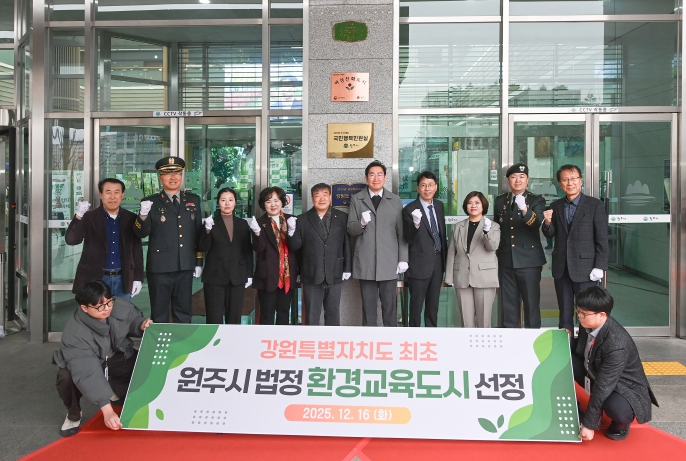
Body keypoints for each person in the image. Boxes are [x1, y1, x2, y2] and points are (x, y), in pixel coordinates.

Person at [53, 280, 153, 437]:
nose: (106, 309)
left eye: (109, 302)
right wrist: (107, 411)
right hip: (88, 363)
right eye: (99, 306)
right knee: (66, 377)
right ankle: (74, 415)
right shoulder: (75, 333)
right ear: (84, 308)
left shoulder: (118, 305)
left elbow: (133, 320)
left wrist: (141, 325)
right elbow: (87, 372)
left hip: (117, 356)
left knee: (146, 366)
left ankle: (115, 390)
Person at [572, 286, 658, 442]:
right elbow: (583, 347)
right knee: (565, 357)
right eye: (578, 311)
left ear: (602, 315)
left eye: (584, 313)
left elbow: (603, 385)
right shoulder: (590, 323)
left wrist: (589, 425)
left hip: (622, 386)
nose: (579, 316)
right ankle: (573, 403)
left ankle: (621, 424)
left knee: (617, 409)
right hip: (595, 370)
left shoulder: (617, 344)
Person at [134, 156, 204, 323]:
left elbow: (198, 233)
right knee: (159, 312)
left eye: (177, 173)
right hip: (160, 267)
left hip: (185, 265)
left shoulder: (193, 200)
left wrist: (198, 261)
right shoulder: (150, 202)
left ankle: (183, 340)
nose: (173, 177)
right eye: (167, 173)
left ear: (181, 175)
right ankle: (161, 340)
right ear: (160, 177)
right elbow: (140, 233)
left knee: (184, 312)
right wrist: (142, 215)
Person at [542, 165, 609, 333]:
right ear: (560, 184)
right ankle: (566, 344)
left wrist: (600, 266)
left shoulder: (595, 205)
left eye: (573, 179)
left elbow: (602, 238)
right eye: (565, 180)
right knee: (564, 311)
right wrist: (547, 222)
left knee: (587, 311)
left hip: (586, 269)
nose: (570, 183)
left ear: (580, 181)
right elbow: (550, 234)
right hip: (562, 268)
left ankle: (586, 346)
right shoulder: (556, 205)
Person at [347, 160, 408, 327]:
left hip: (389, 262)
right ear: (366, 178)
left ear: (385, 177)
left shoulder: (395, 200)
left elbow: (401, 232)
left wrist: (403, 259)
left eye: (379, 175)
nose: (376, 178)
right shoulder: (357, 199)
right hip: (366, 262)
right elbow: (351, 229)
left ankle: (391, 338)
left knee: (389, 307)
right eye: (372, 175)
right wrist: (361, 224)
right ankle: (369, 339)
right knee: (368, 308)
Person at [65, 178, 143, 300]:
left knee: (122, 312)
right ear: (101, 194)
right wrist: (79, 215)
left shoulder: (131, 218)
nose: (112, 197)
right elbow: (71, 240)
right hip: (95, 278)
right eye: (108, 192)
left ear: (122, 195)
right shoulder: (90, 217)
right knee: (96, 312)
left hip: (123, 279)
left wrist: (137, 277)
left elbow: (137, 250)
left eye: (116, 192)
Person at [288, 183, 351, 326]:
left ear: (330, 197)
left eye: (325, 195)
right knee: (311, 315)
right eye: (317, 195)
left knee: (333, 314)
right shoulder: (302, 219)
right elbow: (295, 247)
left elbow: (346, 244)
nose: (321, 199)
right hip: (311, 273)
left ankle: (332, 340)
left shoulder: (342, 217)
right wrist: (291, 231)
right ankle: (311, 340)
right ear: (312, 198)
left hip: (334, 271)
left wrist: (347, 268)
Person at [494, 163, 546, 328]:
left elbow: (536, 223)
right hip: (506, 260)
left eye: (522, 177)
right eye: (513, 177)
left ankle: (532, 339)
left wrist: (524, 209)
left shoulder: (536, 200)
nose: (518, 180)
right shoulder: (500, 200)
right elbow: (498, 228)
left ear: (527, 180)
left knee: (531, 304)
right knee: (508, 305)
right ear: (508, 180)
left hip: (529, 261)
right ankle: (510, 339)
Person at [197, 188, 254, 324]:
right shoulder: (210, 223)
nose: (227, 203)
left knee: (234, 318)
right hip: (214, 276)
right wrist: (207, 230)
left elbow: (247, 250)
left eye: (230, 200)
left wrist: (249, 274)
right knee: (213, 317)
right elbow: (202, 247)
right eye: (223, 200)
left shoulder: (242, 224)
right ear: (218, 203)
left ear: (235, 202)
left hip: (237, 276)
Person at [445, 192, 501, 328]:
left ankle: (484, 343)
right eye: (470, 203)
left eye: (477, 203)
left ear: (483, 205)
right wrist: (449, 277)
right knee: (466, 322)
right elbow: (452, 253)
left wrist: (487, 232)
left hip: (484, 278)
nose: (473, 206)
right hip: (462, 277)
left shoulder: (493, 226)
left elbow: (493, 246)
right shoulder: (458, 226)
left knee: (484, 321)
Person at [402, 171, 447, 327]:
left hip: (438, 263)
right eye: (423, 185)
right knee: (416, 307)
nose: (427, 189)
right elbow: (408, 238)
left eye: (430, 185)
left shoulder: (439, 206)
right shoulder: (409, 209)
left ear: (436, 187)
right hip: (418, 265)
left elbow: (441, 233)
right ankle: (413, 337)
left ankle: (431, 336)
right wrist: (416, 224)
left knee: (433, 307)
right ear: (418, 188)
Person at [248, 186, 298, 325]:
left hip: (287, 275)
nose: (273, 204)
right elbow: (259, 248)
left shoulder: (292, 220)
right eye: (268, 201)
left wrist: (292, 231)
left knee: (284, 313)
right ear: (263, 204)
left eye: (276, 200)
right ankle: (265, 339)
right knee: (266, 314)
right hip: (267, 275)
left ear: (282, 202)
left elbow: (296, 247)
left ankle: (282, 338)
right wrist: (257, 233)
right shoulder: (259, 222)